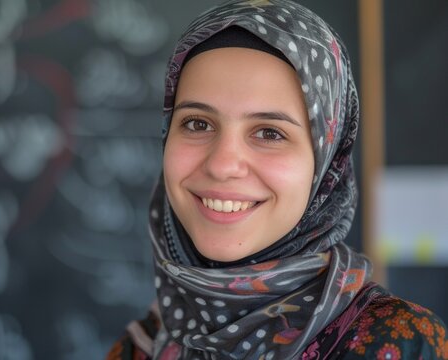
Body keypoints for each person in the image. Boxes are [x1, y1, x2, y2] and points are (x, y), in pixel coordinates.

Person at [107, 0, 448, 359]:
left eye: (269, 133)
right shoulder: (140, 347)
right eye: (197, 123)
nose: (223, 165)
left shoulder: (399, 344)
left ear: (325, 168)